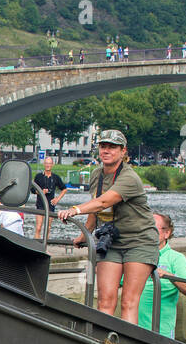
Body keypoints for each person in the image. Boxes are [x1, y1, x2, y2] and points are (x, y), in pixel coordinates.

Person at [56, 129, 158, 322]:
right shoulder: (97, 175)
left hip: (139, 241)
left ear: (123, 151)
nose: (107, 150)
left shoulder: (129, 178)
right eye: (103, 146)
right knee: (105, 300)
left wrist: (75, 210)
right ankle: (103, 343)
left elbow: (104, 202)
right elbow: (96, 209)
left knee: (128, 301)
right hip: (111, 241)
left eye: (112, 147)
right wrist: (85, 233)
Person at [137, 213, 186, 338]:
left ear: (167, 233)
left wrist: (167, 275)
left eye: (153, 228)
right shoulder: (136, 255)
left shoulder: (176, 258)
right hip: (134, 328)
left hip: (161, 332)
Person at [32, 156, 68, 230]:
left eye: (50, 163)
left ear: (52, 164)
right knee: (38, 227)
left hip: (51, 204)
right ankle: (37, 241)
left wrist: (57, 199)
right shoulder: (38, 176)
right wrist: (40, 192)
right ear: (44, 164)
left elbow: (64, 189)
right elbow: (32, 190)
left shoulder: (55, 177)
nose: (48, 165)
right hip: (40, 204)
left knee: (47, 228)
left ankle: (47, 241)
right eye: (46, 163)